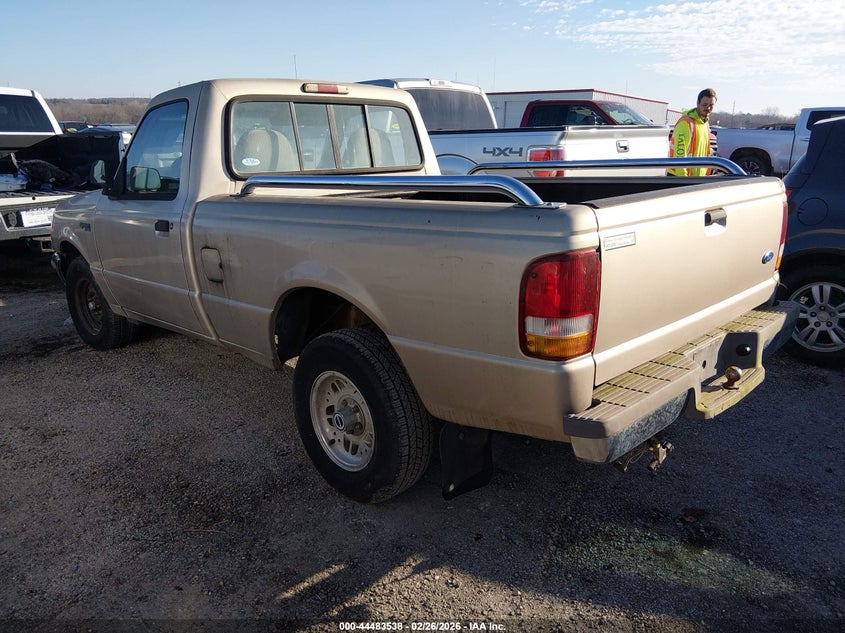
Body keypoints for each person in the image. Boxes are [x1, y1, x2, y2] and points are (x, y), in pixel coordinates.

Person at [670, 88, 717, 176]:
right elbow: (680, 154)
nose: (708, 108)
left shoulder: (705, 123)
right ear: (697, 103)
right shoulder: (686, 123)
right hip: (681, 178)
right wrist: (683, 179)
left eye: (711, 105)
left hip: (697, 178)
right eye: (705, 104)